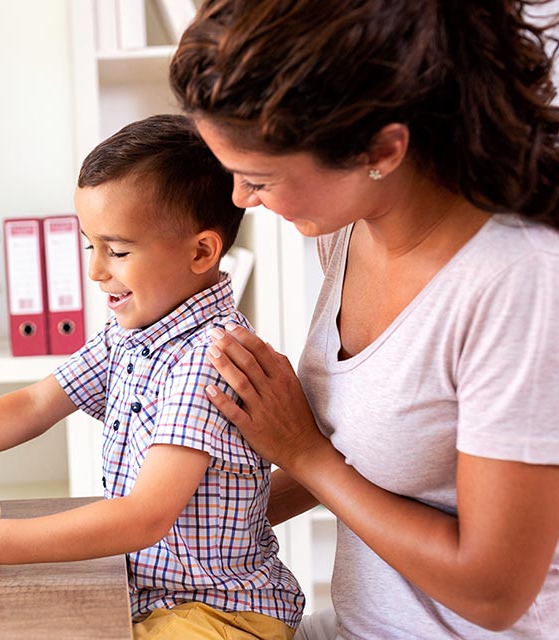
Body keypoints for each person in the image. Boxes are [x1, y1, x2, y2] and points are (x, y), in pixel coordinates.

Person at [168, 1, 559, 638]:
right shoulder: (348, 231)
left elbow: (494, 594)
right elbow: (367, 455)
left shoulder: (520, 282)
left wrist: (303, 451)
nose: (240, 199)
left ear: (382, 148)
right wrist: (177, 526)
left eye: (259, 178)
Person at [0, 114, 304, 639]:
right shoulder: (135, 333)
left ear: (201, 252)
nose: (95, 270)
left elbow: (144, 516)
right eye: (89, 245)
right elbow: (37, 404)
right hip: (144, 592)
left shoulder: (207, 361)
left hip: (221, 612)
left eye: (118, 251)